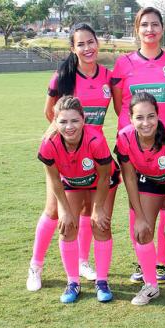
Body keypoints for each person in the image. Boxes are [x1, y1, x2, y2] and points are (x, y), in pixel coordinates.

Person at [27, 23, 112, 292]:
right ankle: (36, 265)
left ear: (98, 43)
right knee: (55, 211)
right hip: (65, 151)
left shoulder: (108, 76)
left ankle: (83, 261)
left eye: (91, 42)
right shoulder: (63, 76)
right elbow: (48, 112)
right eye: (81, 44)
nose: (87, 48)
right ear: (73, 49)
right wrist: (65, 135)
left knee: (88, 209)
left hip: (95, 151)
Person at [111, 7, 165, 284]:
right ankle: (144, 263)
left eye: (155, 24)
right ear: (137, 30)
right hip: (134, 146)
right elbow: (121, 106)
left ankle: (162, 264)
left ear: (162, 29)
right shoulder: (123, 64)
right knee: (137, 204)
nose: (150, 29)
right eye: (144, 25)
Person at [115, 92, 165, 308]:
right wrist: (139, 217)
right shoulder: (124, 137)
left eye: (151, 116)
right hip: (150, 178)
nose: (146, 123)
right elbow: (130, 177)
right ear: (130, 119)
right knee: (142, 233)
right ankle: (151, 285)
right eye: (139, 118)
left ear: (158, 116)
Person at [38, 96, 118, 303]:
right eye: (63, 121)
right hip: (72, 181)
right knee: (67, 227)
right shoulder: (49, 143)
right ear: (55, 121)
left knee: (101, 225)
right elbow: (54, 179)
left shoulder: (95, 141)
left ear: (84, 120)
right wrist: (63, 210)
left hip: (101, 180)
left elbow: (104, 177)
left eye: (74, 120)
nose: (69, 126)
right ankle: (73, 282)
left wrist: (98, 207)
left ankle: (102, 281)